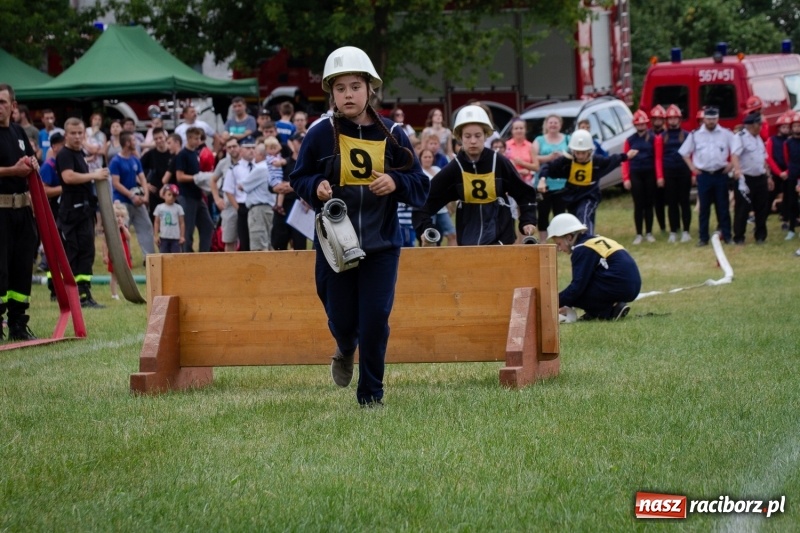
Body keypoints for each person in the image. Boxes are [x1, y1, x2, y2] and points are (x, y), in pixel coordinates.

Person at [289, 45, 429, 407]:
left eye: (355, 86)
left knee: (375, 319)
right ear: (331, 93)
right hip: (333, 246)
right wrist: (314, 187)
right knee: (341, 316)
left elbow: (420, 186)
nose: (347, 94)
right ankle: (345, 345)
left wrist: (396, 183)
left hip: (381, 244)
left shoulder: (395, 134)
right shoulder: (320, 133)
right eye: (339, 88)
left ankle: (371, 394)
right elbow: (299, 176)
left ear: (370, 89)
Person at [412, 105, 537, 245]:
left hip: (501, 235)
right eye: (467, 136)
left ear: (486, 136)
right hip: (468, 237)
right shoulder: (455, 168)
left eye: (478, 136)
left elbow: (524, 192)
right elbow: (425, 201)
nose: (473, 141)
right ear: (459, 137)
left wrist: (527, 220)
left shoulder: (499, 162)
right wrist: (425, 228)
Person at [540, 129, 636, 235]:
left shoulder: (597, 162)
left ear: (589, 151)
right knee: (575, 223)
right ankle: (581, 244)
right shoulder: (566, 162)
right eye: (577, 153)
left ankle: (587, 240)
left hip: (590, 196)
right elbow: (547, 167)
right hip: (572, 198)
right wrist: (542, 180)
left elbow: (611, 160)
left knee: (584, 213)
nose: (580, 156)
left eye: (583, 153)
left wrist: (626, 156)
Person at [0, 83, 40, 340]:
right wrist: (12, 171)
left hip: (23, 211)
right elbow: (14, 169)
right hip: (0, 211)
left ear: (13, 106)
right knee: (0, 269)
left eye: (3, 102)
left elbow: (30, 159)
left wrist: (32, 162)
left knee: (22, 267)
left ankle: (17, 323)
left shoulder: (18, 132)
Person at [548, 213, 641, 321]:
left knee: (577, 293)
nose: (559, 249)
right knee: (581, 288)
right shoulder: (594, 240)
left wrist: (553, 302)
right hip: (633, 285)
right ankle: (610, 309)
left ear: (569, 237)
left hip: (620, 286)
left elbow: (577, 287)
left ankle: (609, 311)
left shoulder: (582, 249)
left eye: (559, 244)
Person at [57, 117, 109, 308]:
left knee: (87, 252)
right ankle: (71, 295)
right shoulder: (65, 154)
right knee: (74, 253)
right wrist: (94, 175)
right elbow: (68, 177)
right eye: (73, 133)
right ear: (66, 135)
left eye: (80, 133)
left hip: (85, 211)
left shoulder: (80, 153)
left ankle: (84, 294)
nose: (77, 137)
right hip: (71, 213)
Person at [679, 106, 737, 246]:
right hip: (704, 176)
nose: (711, 122)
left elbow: (736, 150)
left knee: (723, 207)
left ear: (718, 118)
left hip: (720, 174)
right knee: (704, 208)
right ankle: (703, 238)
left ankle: (727, 236)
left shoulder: (726, 134)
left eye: (714, 119)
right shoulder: (695, 135)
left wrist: (731, 164)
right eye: (708, 119)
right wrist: (693, 167)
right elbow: (684, 153)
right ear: (704, 119)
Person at [109, 131, 156, 259]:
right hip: (122, 201)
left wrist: (145, 195)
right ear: (127, 143)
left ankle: (149, 258)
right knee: (123, 228)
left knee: (146, 226)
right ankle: (124, 258)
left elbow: (142, 178)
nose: (136, 143)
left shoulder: (135, 159)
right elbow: (116, 183)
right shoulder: (116, 161)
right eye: (133, 140)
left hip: (137, 200)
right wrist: (132, 196)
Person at [655, 105, 693, 243]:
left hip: (684, 171)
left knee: (685, 202)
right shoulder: (661, 137)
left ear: (679, 119)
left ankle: (686, 231)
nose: (672, 120)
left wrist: (693, 173)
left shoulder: (688, 135)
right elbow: (658, 158)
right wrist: (660, 176)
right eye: (670, 118)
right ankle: (673, 231)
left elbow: (691, 155)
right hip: (669, 172)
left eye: (674, 117)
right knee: (672, 203)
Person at [731, 113, 771, 244]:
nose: (761, 127)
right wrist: (737, 171)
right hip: (745, 178)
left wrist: (768, 176)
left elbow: (763, 158)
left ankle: (760, 236)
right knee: (742, 208)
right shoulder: (740, 137)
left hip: (760, 177)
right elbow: (735, 155)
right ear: (752, 125)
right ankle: (739, 237)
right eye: (759, 124)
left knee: (762, 208)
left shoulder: (758, 138)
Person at [174, 126, 214, 252]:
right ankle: (187, 255)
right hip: (187, 196)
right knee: (188, 228)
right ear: (189, 139)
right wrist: (196, 178)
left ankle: (204, 253)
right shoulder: (182, 155)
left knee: (207, 225)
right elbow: (179, 176)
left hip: (197, 195)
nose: (198, 141)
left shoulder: (195, 154)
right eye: (196, 138)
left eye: (199, 138)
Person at [622, 109, 658, 244]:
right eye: (639, 124)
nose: (641, 126)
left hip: (649, 173)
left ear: (646, 124)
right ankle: (639, 234)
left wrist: (658, 175)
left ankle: (649, 232)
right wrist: (626, 178)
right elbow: (625, 160)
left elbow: (657, 158)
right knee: (638, 205)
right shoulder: (630, 140)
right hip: (635, 173)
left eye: (643, 124)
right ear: (635, 125)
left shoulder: (653, 138)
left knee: (649, 204)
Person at [533, 114, 569, 241]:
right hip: (543, 184)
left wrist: (562, 156)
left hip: (562, 184)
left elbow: (573, 155)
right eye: (551, 122)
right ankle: (543, 241)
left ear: (560, 125)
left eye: (556, 122)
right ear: (546, 125)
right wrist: (548, 158)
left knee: (560, 214)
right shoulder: (539, 140)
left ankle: (560, 241)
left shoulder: (567, 139)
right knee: (543, 213)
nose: (553, 125)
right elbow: (533, 157)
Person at [271, 132, 308, 251]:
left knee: (300, 245)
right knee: (278, 243)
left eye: (304, 141)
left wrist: (292, 186)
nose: (302, 143)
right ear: (292, 143)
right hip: (282, 208)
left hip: (300, 206)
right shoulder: (283, 162)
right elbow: (271, 182)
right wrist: (276, 187)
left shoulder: (309, 163)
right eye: (299, 141)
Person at [418, 147, 456, 246]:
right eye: (425, 157)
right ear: (420, 158)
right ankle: (429, 259)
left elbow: (444, 189)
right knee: (430, 236)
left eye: (430, 157)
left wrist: (448, 205)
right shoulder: (418, 172)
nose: (427, 159)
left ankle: (453, 258)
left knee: (452, 234)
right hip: (428, 208)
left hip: (442, 209)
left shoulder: (437, 169)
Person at [104, 202, 132, 300]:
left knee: (125, 275)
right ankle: (114, 294)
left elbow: (129, 238)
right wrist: (105, 256)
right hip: (114, 255)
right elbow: (105, 243)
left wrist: (123, 228)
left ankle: (127, 293)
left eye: (122, 216)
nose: (119, 218)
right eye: (117, 216)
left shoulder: (125, 228)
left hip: (124, 254)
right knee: (114, 276)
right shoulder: (110, 229)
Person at [782, 112, 800, 241]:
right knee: (792, 203)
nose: (797, 129)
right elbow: (787, 159)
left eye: (799, 126)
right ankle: (792, 229)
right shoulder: (787, 143)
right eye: (794, 126)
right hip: (792, 174)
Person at [153, 184, 185, 253]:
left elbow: (181, 223)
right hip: (163, 237)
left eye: (174, 195)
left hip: (175, 238)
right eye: (169, 194)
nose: (171, 197)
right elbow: (156, 222)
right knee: (164, 256)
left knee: (175, 256)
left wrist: (182, 236)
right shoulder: (159, 207)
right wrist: (156, 235)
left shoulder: (178, 208)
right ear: (164, 195)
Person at [505, 118, 537, 185]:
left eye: (521, 128)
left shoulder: (530, 146)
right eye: (516, 128)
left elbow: (536, 167)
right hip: (510, 181)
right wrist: (519, 172)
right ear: (512, 130)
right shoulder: (506, 145)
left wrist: (522, 163)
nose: (519, 130)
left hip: (527, 182)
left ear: (525, 130)